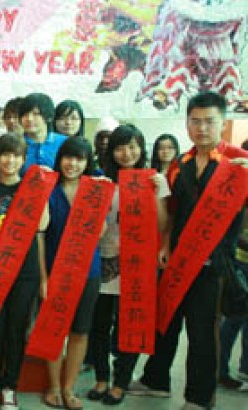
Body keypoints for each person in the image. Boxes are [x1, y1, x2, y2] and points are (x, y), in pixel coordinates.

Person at [128, 92, 248, 409]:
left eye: (209, 121)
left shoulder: (238, 162)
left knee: (201, 334)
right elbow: (174, 211)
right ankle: (156, 380)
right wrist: (166, 245)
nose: (202, 128)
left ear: (223, 123)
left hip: (213, 266)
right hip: (178, 261)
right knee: (165, 321)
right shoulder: (180, 164)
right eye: (195, 121)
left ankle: (199, 397)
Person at [88, 124, 170, 406]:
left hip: (137, 264)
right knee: (98, 325)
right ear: (111, 151)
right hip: (103, 261)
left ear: (142, 148)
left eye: (133, 146)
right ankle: (101, 378)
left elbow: (163, 226)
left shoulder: (155, 180)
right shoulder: (101, 181)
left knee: (130, 324)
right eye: (121, 147)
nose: (127, 153)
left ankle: (120, 382)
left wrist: (158, 195)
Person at [0, 133, 48, 410]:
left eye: (16, 155)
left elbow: (42, 227)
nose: (10, 160)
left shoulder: (31, 189)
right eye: (5, 154)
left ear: (23, 159)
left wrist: (42, 277)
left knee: (17, 330)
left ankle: (10, 387)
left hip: (25, 272)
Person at [42, 137, 106, 409]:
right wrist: (43, 277)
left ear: (87, 162)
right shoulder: (49, 189)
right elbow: (39, 236)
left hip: (88, 270)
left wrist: (101, 197)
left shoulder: (95, 190)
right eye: (68, 157)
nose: (73, 164)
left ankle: (69, 388)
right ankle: (54, 386)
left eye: (80, 159)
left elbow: (100, 232)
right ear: (60, 159)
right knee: (54, 329)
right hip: (55, 269)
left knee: (80, 330)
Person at [219, 139, 248, 390]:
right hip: (238, 261)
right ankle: (220, 368)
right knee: (235, 316)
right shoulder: (236, 181)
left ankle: (245, 369)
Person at [19, 93, 67, 171]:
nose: (29, 119)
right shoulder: (15, 144)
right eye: (25, 114)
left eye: (36, 114)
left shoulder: (65, 143)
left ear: (49, 117)